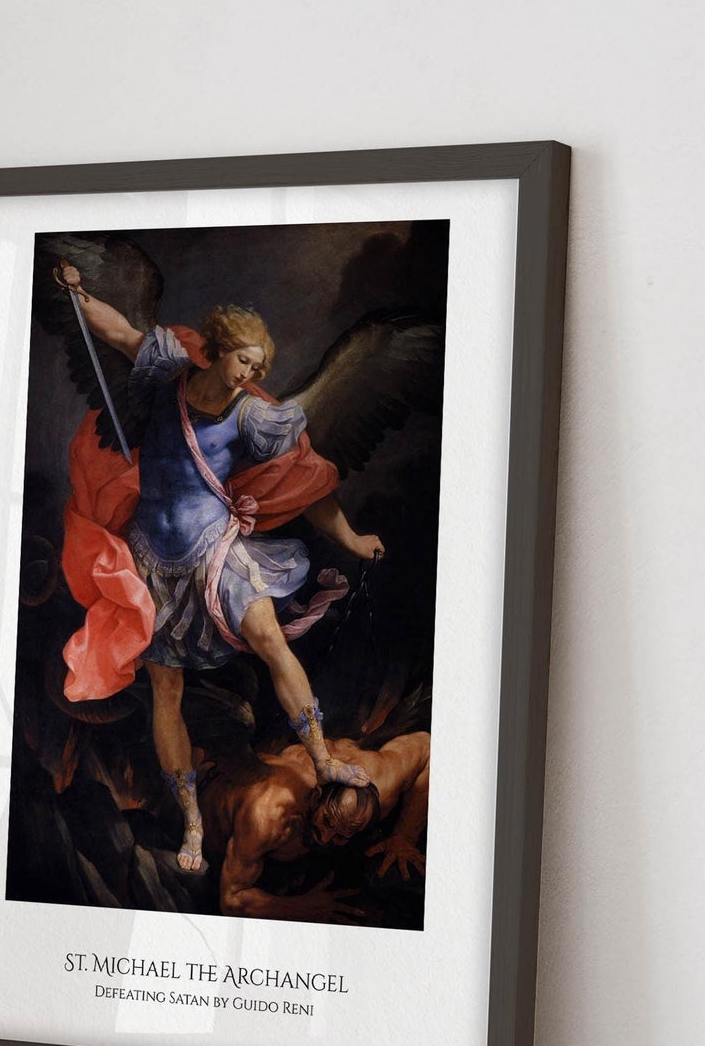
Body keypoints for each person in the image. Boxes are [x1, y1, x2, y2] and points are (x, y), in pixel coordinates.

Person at [54, 263, 384, 876]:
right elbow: (121, 334)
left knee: (268, 640)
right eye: (246, 362)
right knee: (166, 688)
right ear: (217, 350)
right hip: (152, 561)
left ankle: (321, 758)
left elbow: (307, 484)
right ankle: (194, 823)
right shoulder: (165, 379)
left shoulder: (255, 417)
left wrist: (352, 537)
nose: (255, 375)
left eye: (260, 368)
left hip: (217, 552)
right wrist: (77, 292)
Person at [200, 731, 430, 921]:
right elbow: (231, 900)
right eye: (328, 821)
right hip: (203, 794)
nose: (326, 838)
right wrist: (303, 908)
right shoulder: (269, 814)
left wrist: (404, 837)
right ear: (316, 797)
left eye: (342, 835)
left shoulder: (379, 786)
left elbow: (427, 748)